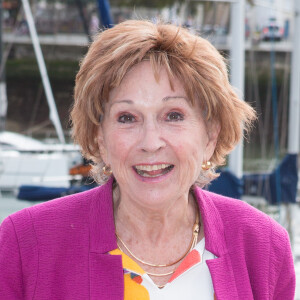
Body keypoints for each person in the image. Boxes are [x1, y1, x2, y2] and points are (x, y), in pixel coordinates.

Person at [0, 20, 295, 299]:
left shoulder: (262, 245)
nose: (151, 143)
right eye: (127, 118)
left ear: (211, 136)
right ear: (100, 138)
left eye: (173, 116)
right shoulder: (26, 244)